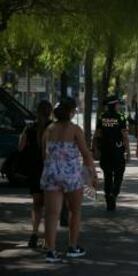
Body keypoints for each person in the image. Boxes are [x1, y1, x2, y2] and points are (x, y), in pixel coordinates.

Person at [40, 98, 97, 263]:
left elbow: (45, 154)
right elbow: (86, 154)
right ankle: (72, 247)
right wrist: (92, 174)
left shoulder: (48, 129)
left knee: (51, 214)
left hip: (51, 174)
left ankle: (50, 251)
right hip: (71, 175)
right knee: (75, 211)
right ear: (71, 112)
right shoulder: (75, 130)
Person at [19, 100, 53, 248]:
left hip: (34, 170)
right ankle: (46, 239)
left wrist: (24, 132)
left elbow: (20, 148)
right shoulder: (53, 127)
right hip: (49, 170)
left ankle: (34, 234)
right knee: (50, 207)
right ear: (50, 112)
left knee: (37, 205)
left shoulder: (30, 128)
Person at [93, 95, 130, 211]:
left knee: (107, 175)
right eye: (118, 104)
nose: (119, 105)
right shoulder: (121, 117)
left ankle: (108, 196)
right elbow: (124, 136)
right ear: (114, 105)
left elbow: (97, 134)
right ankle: (114, 193)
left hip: (105, 150)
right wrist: (128, 151)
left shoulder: (102, 117)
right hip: (117, 151)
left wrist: (94, 148)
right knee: (119, 174)